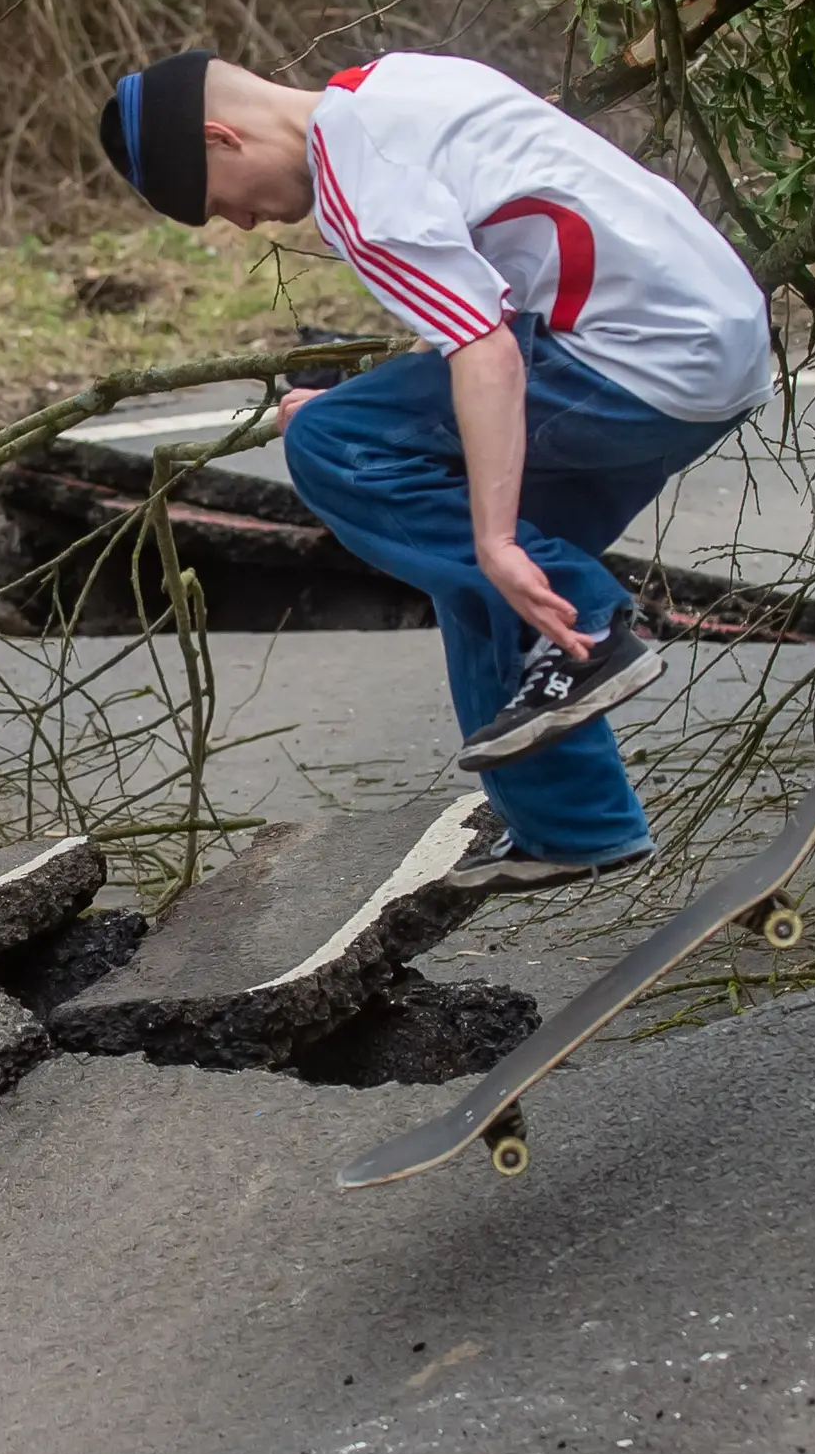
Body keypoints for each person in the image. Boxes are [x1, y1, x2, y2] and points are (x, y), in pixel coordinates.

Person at [98, 49, 773, 890]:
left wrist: (489, 535)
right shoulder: (396, 84)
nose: (243, 223)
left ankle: (594, 625)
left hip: (636, 363)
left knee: (345, 455)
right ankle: (573, 825)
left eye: (218, 205)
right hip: (720, 351)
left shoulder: (355, 181)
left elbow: (484, 351)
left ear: (219, 137)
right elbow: (473, 306)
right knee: (473, 570)